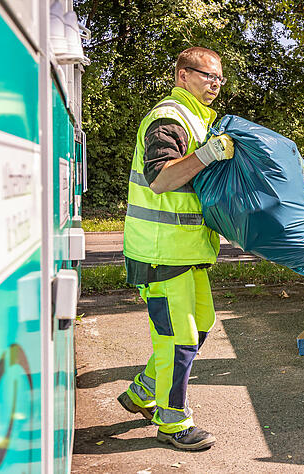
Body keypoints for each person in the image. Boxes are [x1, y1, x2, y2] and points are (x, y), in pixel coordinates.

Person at [117, 47, 235, 450]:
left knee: (200, 327)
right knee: (178, 339)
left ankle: (141, 392)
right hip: (161, 251)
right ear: (182, 75)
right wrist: (208, 154)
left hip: (187, 250)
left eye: (219, 78)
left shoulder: (200, 121)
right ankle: (173, 424)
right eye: (207, 76)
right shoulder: (169, 117)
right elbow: (162, 180)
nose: (215, 84)